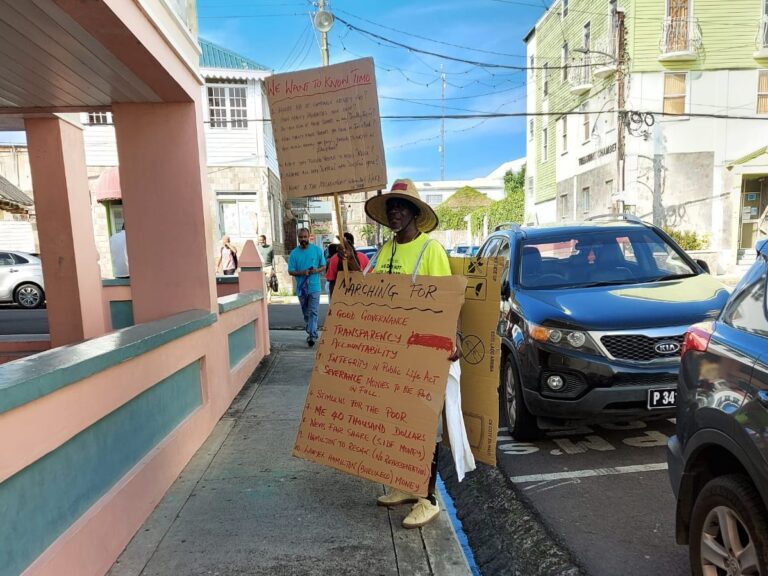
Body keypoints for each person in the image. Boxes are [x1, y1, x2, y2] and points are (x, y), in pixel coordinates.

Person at [351, 178, 474, 529]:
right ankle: (407, 485)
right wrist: (350, 268)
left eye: (401, 206)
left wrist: (454, 338)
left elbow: (450, 299)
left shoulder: (430, 250)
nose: (395, 212)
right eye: (391, 207)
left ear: (415, 213)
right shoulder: (384, 252)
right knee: (398, 423)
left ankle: (427, 498)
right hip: (392, 355)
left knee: (423, 427)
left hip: (424, 352)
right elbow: (368, 292)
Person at [288, 228, 326, 347]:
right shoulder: (294, 253)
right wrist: (302, 272)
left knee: (313, 312)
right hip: (301, 289)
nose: (303, 239)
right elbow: (291, 271)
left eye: (305, 237)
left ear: (309, 237)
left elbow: (323, 265)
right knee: (306, 313)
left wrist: (316, 270)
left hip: (315, 287)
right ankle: (310, 329)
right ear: (298, 238)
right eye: (301, 237)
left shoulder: (317, 250)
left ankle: (312, 336)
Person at [325, 232, 370, 299]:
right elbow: (332, 282)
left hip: (359, 296)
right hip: (344, 298)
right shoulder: (335, 259)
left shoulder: (363, 257)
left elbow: (370, 279)